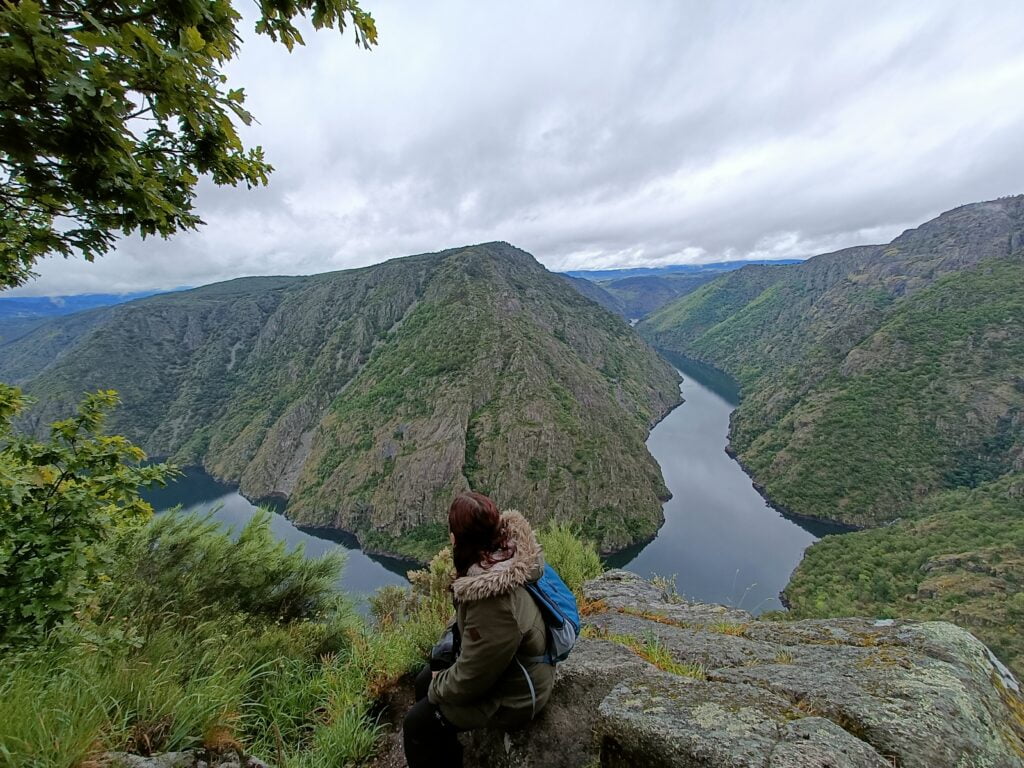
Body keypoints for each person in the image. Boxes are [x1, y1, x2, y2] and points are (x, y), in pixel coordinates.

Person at [402, 492, 555, 767]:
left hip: (517, 692)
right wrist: (442, 661)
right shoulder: (497, 559)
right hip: (509, 666)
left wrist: (439, 686)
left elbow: (473, 678)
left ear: (459, 538)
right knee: (423, 680)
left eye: (452, 529)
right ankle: (448, 753)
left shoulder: (495, 601)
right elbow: (471, 625)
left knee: (416, 725)